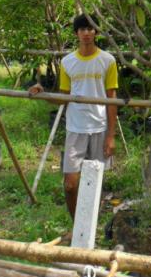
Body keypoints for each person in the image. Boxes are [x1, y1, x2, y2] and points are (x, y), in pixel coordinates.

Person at [29, 13, 118, 220]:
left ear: (96, 32)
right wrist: (43, 94)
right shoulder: (68, 62)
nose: (86, 33)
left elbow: (112, 98)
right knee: (70, 185)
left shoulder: (107, 61)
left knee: (94, 183)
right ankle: (76, 223)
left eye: (90, 29)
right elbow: (64, 97)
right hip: (75, 128)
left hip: (99, 127)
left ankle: (89, 228)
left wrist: (110, 136)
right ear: (77, 33)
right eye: (82, 29)